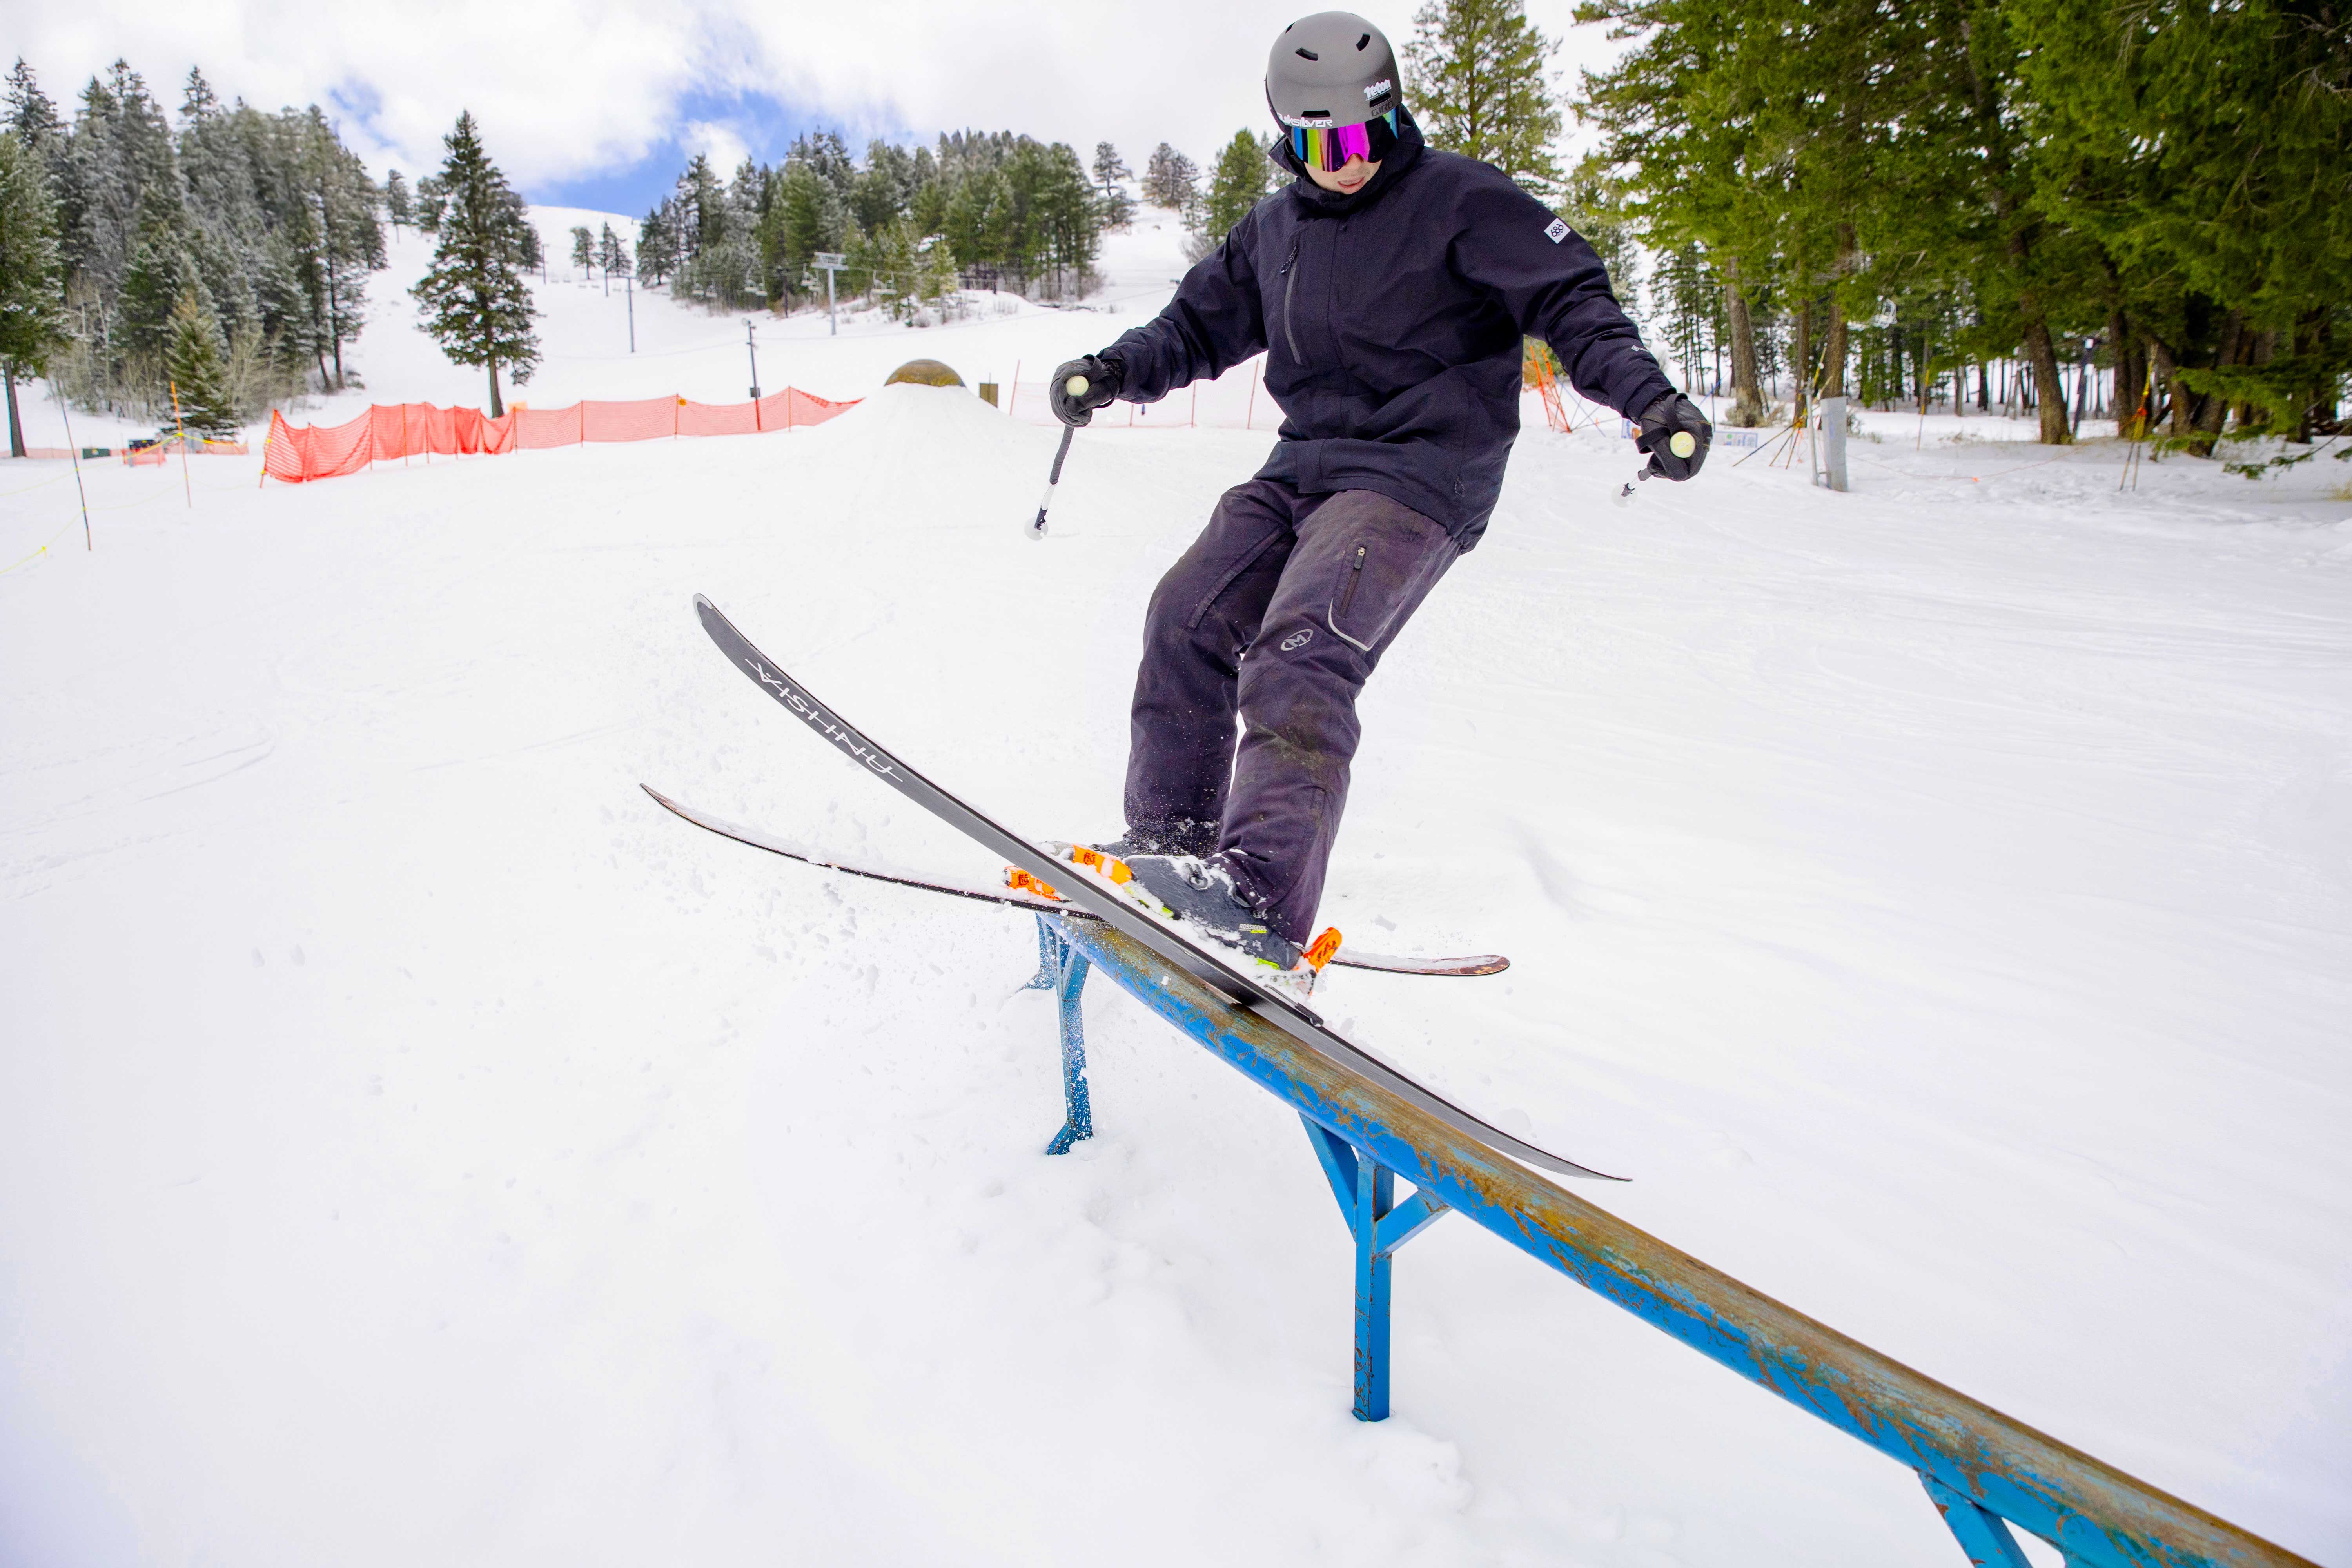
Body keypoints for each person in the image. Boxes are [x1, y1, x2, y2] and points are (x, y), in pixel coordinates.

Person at [1044, 9, 1710, 989]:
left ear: (1389, 116)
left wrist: (1648, 397)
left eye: (1364, 134)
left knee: (1304, 648)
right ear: (1289, 135)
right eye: (1322, 142)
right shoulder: (1273, 233)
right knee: (1185, 615)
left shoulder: (1462, 202)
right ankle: (1171, 854)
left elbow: (1572, 298)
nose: (1347, 160)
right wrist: (1110, 372)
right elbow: (1193, 327)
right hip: (1304, 463)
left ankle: (1259, 903)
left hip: (1421, 472)